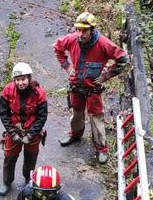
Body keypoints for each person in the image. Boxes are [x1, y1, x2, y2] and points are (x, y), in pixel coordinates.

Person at [53, 11, 129, 164]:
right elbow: (58, 48)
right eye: (78, 30)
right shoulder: (71, 40)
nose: (81, 34)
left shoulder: (103, 44)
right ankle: (75, 134)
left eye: (84, 30)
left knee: (96, 118)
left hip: (93, 89)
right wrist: (67, 66)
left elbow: (123, 59)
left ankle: (101, 148)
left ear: (92, 30)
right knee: (77, 114)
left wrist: (105, 75)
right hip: (76, 87)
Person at [0, 62, 48, 196]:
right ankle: (7, 181)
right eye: (17, 80)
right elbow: (4, 113)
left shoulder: (39, 93)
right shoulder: (8, 91)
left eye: (23, 79)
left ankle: (28, 179)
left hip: (32, 131)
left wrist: (30, 135)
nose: (20, 83)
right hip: (14, 130)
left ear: (29, 78)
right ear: (14, 80)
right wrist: (12, 133)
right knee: (9, 158)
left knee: (31, 158)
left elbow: (41, 117)